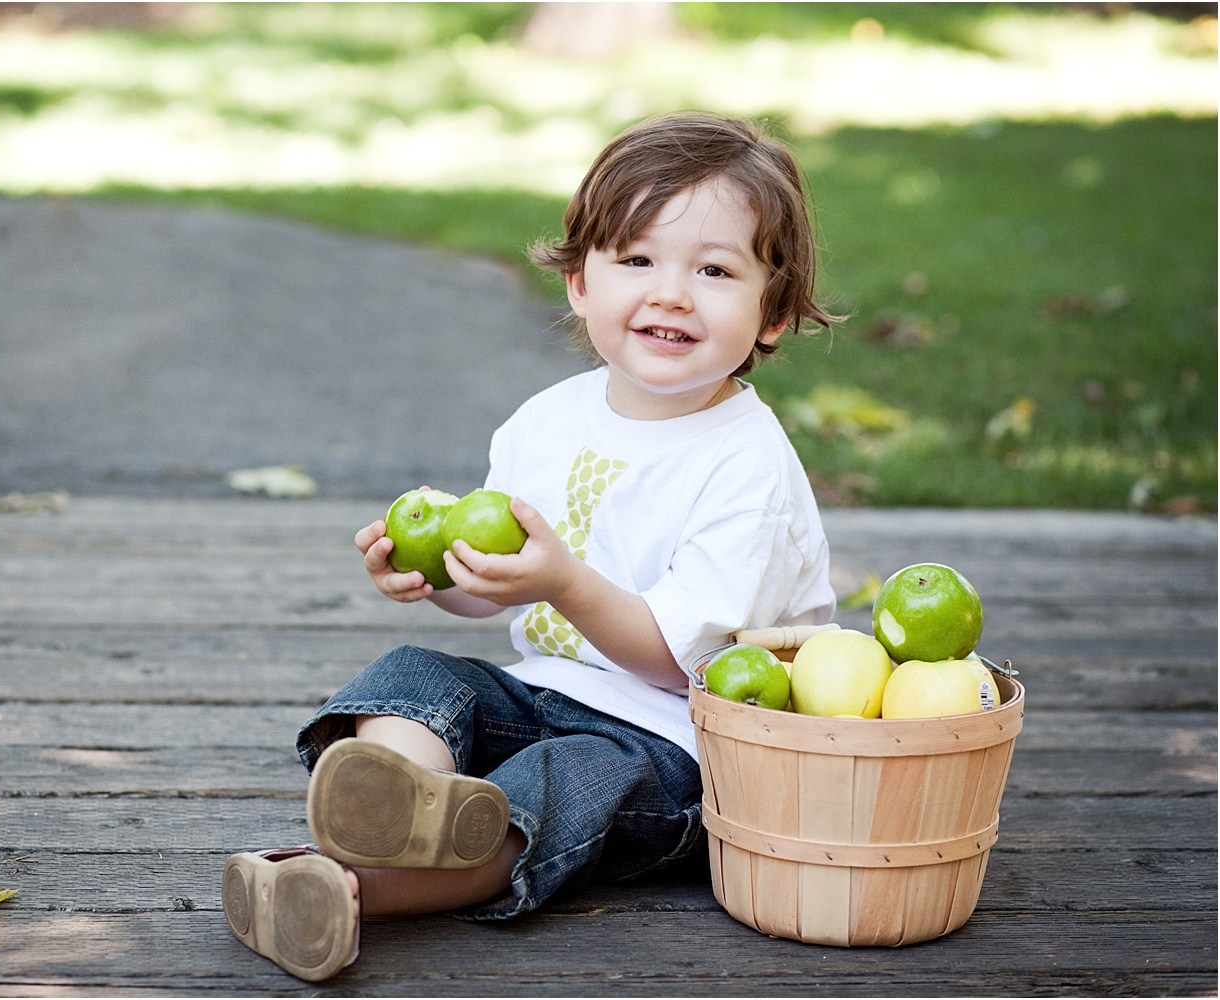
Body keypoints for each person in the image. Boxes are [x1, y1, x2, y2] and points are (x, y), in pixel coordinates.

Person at [222, 110, 840, 982]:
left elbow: (681, 663)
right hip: (541, 693)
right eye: (637, 260)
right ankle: (404, 799)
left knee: (563, 780)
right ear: (580, 284)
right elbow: (498, 591)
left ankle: (344, 888)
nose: (670, 292)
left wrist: (565, 583)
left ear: (772, 313)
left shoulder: (747, 465)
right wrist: (440, 579)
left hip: (678, 747)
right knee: (419, 674)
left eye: (713, 269)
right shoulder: (547, 422)